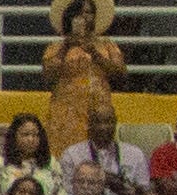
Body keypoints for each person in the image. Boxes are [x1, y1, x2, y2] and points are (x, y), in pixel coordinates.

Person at [37, 0, 122, 156]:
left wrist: (94, 52)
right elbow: (47, 76)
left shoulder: (107, 45)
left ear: (95, 16)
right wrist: (66, 47)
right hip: (65, 114)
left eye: (89, 12)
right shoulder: (56, 47)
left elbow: (119, 73)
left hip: (98, 113)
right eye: (79, 12)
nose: (84, 16)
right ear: (70, 17)